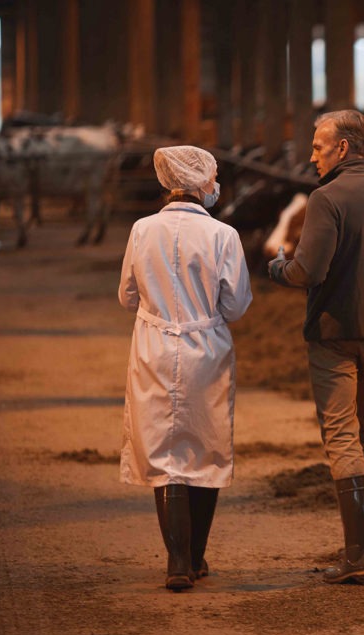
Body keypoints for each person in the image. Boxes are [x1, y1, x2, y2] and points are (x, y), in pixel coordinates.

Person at [267, 109, 364, 584]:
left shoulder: (326, 198)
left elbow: (306, 272)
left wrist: (278, 266)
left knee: (341, 436)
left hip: (334, 334)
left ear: (343, 149)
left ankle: (360, 555)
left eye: (318, 146)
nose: (311, 155)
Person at [118, 145, 252, 592]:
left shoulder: (141, 230)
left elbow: (127, 297)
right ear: (200, 183)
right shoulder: (223, 235)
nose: (216, 186)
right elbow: (236, 305)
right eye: (214, 178)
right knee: (205, 447)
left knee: (164, 450)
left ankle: (176, 561)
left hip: (153, 345)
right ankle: (196, 558)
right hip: (206, 347)